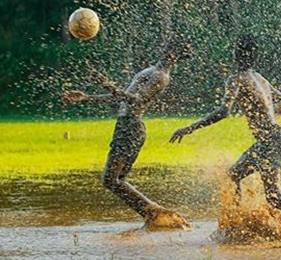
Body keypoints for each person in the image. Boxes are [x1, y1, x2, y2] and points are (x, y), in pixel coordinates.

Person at [169, 36, 281, 245]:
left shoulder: (236, 78)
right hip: (274, 137)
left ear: (235, 55)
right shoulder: (259, 77)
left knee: (273, 195)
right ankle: (237, 225)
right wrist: (264, 115)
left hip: (269, 140)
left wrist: (190, 128)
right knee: (235, 177)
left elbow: (223, 111)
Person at [62, 37, 193, 230]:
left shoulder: (161, 76)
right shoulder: (151, 70)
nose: (164, 49)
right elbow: (121, 98)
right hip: (125, 126)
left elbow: (137, 101)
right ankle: (155, 215)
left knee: (111, 179)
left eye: (169, 48)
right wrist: (86, 98)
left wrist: (108, 85)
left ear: (174, 56)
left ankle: (156, 214)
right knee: (113, 180)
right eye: (165, 46)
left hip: (131, 128)